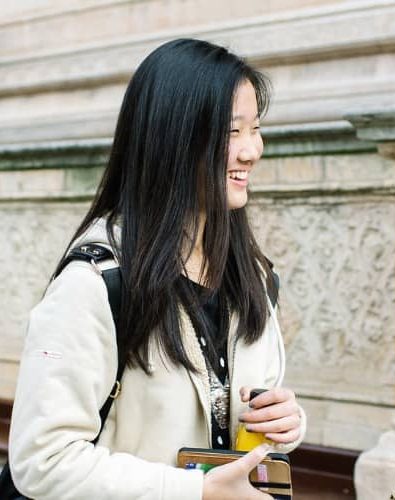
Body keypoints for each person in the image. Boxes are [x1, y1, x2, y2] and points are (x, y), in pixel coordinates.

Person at [9, 38, 305, 500]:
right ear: (172, 138)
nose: (252, 151)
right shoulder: (96, 282)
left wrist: (285, 422)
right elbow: (43, 461)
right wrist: (194, 491)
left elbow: (233, 410)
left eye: (256, 128)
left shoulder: (253, 275)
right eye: (232, 132)